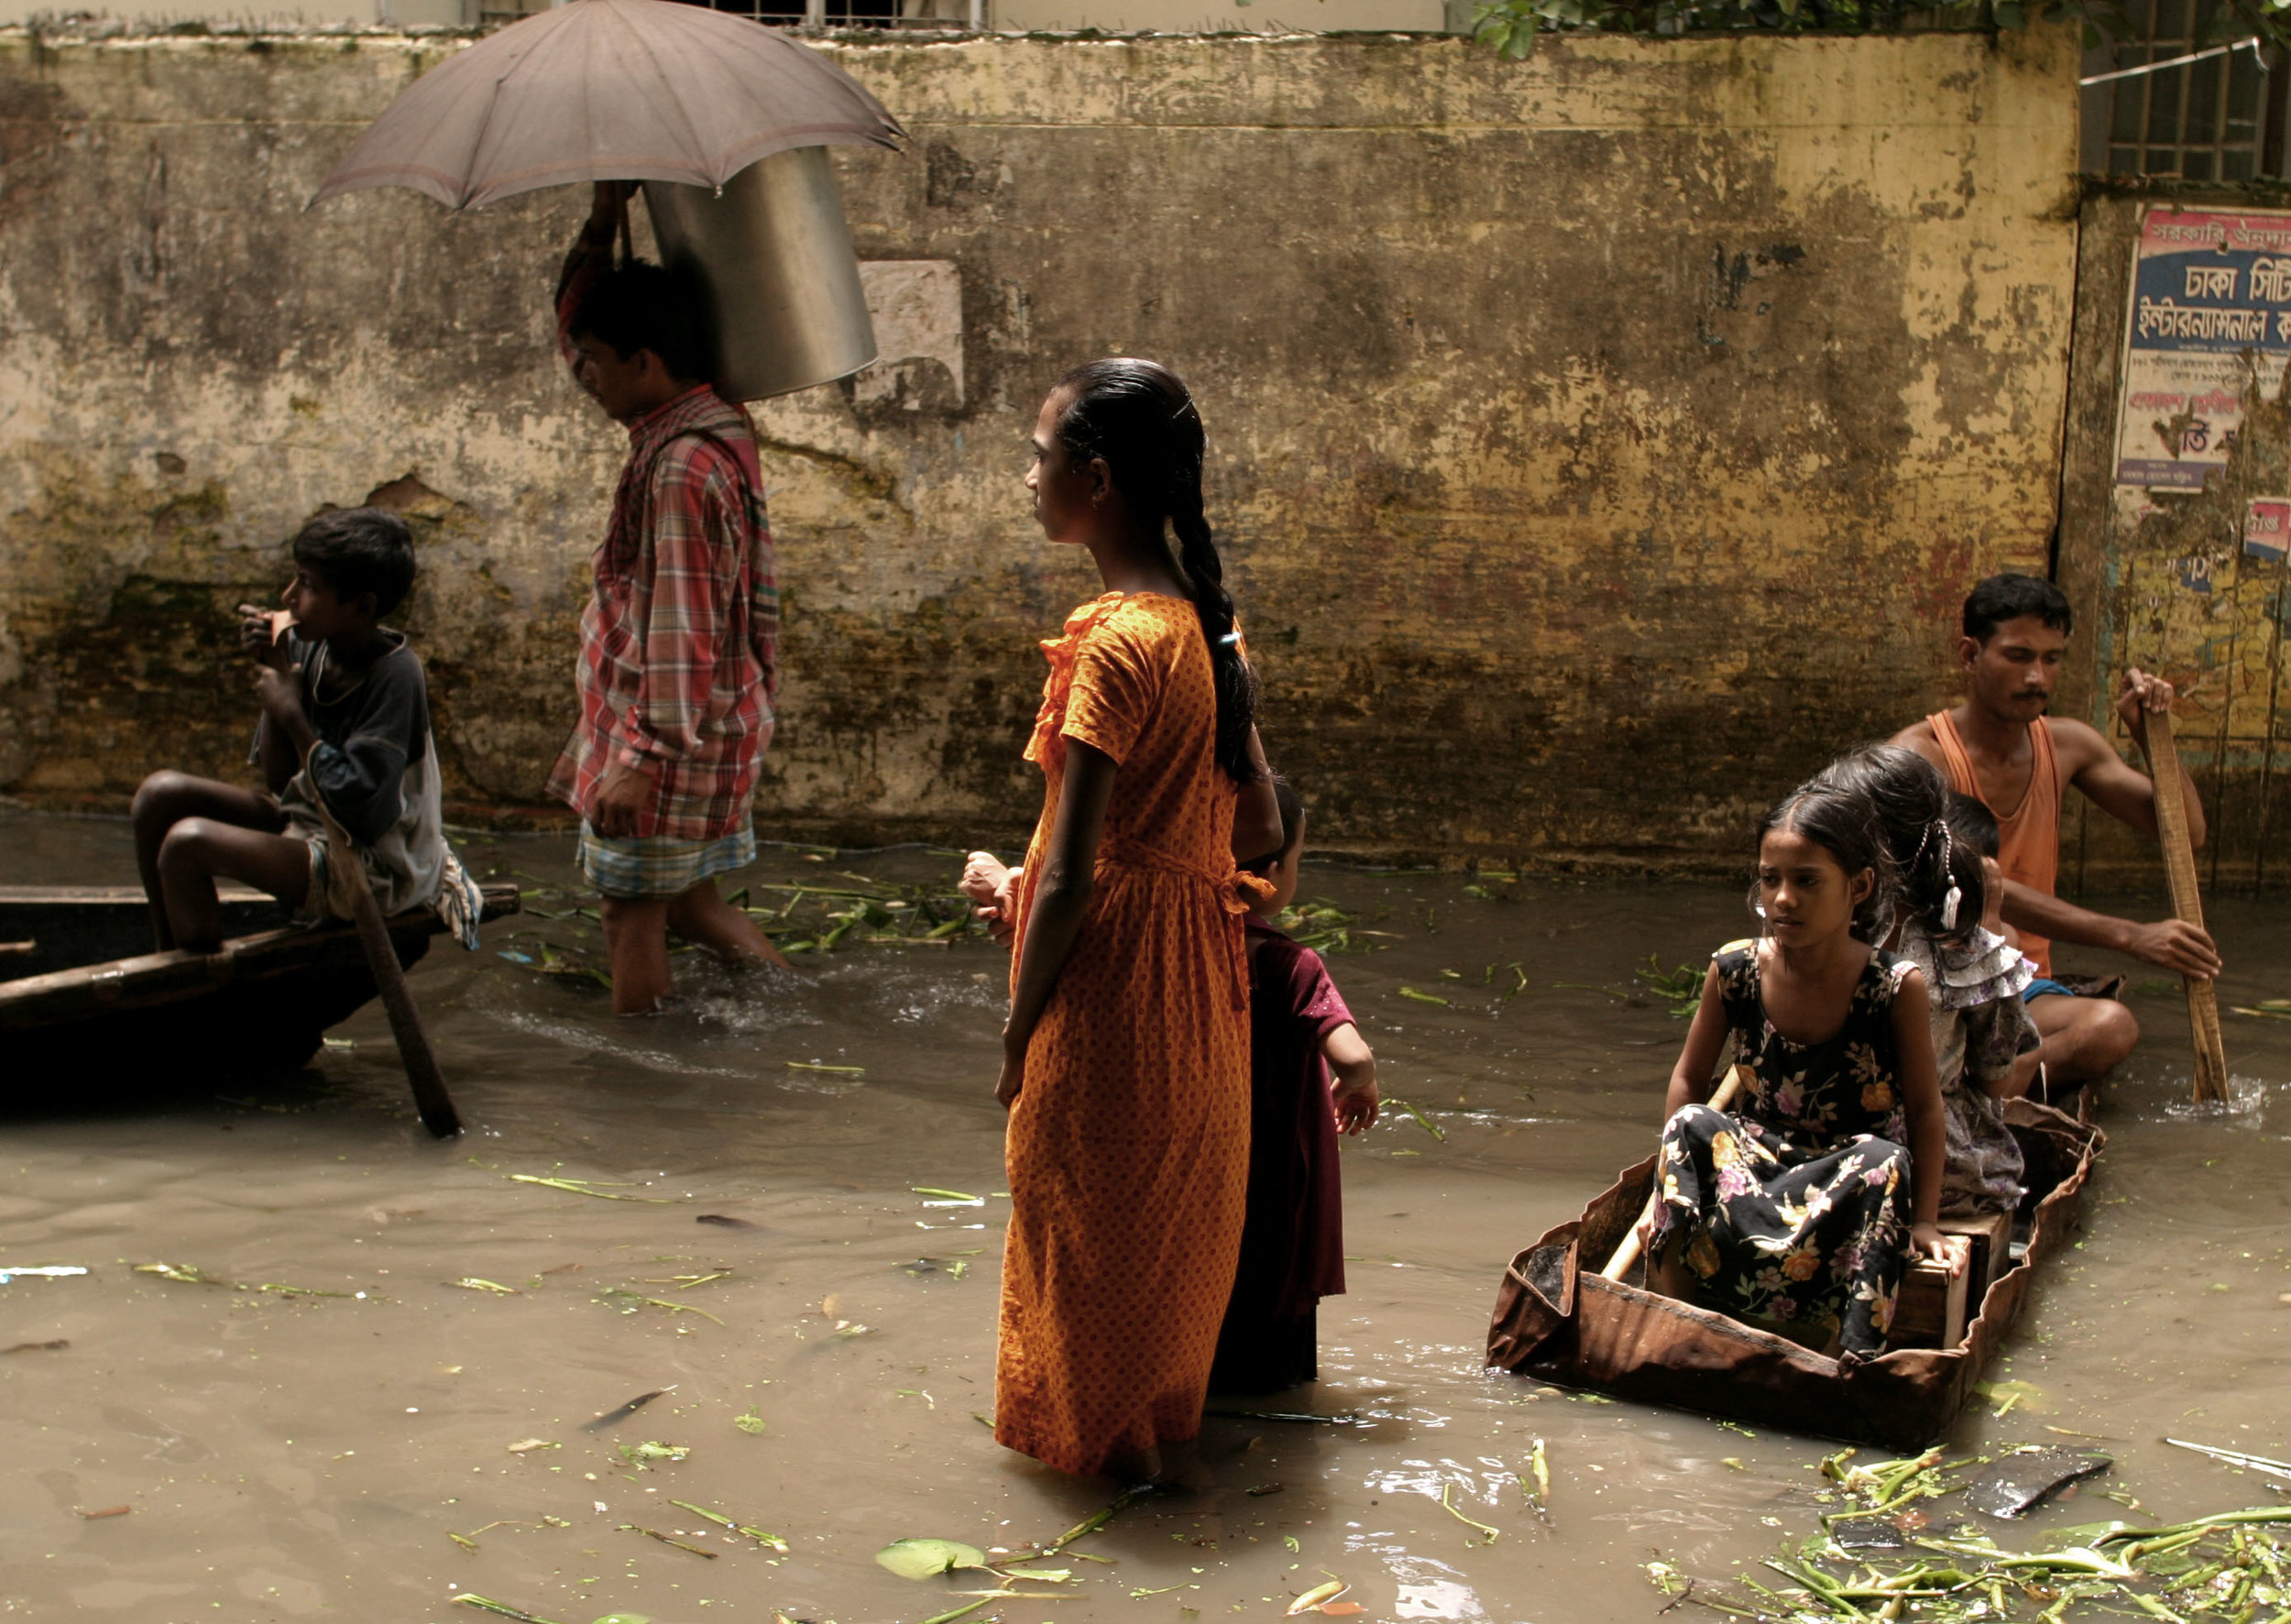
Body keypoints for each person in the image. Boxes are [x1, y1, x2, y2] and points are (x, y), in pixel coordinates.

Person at [992, 357, 1282, 1485]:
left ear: (1097, 478)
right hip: (1197, 995)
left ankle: (1107, 1508)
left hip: (1111, 995)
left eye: (1038, 451)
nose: (1027, 476)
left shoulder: (1114, 639)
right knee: (1154, 1246)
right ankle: (1158, 1478)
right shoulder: (1209, 628)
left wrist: (1019, 1030)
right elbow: (1257, 821)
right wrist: (1164, 879)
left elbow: (1071, 873)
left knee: (1080, 1237)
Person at [546, 181, 785, 1015]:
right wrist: (607, 215)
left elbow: (685, 623)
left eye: (598, 368)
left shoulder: (680, 469)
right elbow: (584, 323)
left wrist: (644, 762)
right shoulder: (715, 417)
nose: (587, 383)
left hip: (675, 731)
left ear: (645, 362)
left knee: (630, 915)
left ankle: (643, 1089)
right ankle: (798, 1010)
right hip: (714, 718)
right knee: (693, 904)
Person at [1648, 777, 1954, 1357]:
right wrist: (1664, 1193)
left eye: (1807, 881)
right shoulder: (1733, 969)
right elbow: (1689, 1080)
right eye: (1770, 879)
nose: (1783, 899)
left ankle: (1852, 1360)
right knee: (1691, 1123)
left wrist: (1926, 1224)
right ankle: (1680, 1325)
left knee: (1885, 1162)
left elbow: (1923, 1110)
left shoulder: (1892, 987)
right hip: (1758, 1159)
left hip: (1846, 1167)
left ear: (1858, 887)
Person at [1892, 574, 2223, 1089]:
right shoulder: (1919, 755)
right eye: (2019, 656)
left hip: (2021, 982)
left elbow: (2188, 833)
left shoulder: (2070, 744)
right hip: (1931, 980)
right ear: (1969, 654)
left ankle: (1992, 1086)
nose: (2037, 678)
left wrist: (2149, 734)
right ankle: (1977, 1084)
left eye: (2052, 658)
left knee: (2111, 1028)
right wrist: (2130, 936)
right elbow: (1977, 881)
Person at [131, 508, 476, 954]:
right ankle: (167, 959)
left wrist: (293, 716)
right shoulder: (309, 647)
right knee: (160, 794)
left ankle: (200, 989)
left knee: (187, 844)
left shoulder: (396, 676)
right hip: (311, 823)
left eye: (309, 586)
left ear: (362, 607)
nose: (289, 596)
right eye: (296, 578)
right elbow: (279, 782)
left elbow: (363, 817)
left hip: (374, 864)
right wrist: (273, 670)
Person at [1814, 745, 2041, 1214]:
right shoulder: (1969, 952)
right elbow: (1996, 1083)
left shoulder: (1810, 934)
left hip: (1886, 1157)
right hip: (1933, 1159)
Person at [1209, 778, 1380, 1394]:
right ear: (1276, 868)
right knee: (1274, 1368)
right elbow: (1351, 1054)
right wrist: (1361, 1083)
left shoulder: (1177, 946)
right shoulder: (1289, 963)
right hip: (1274, 1190)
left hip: (1198, 1179)